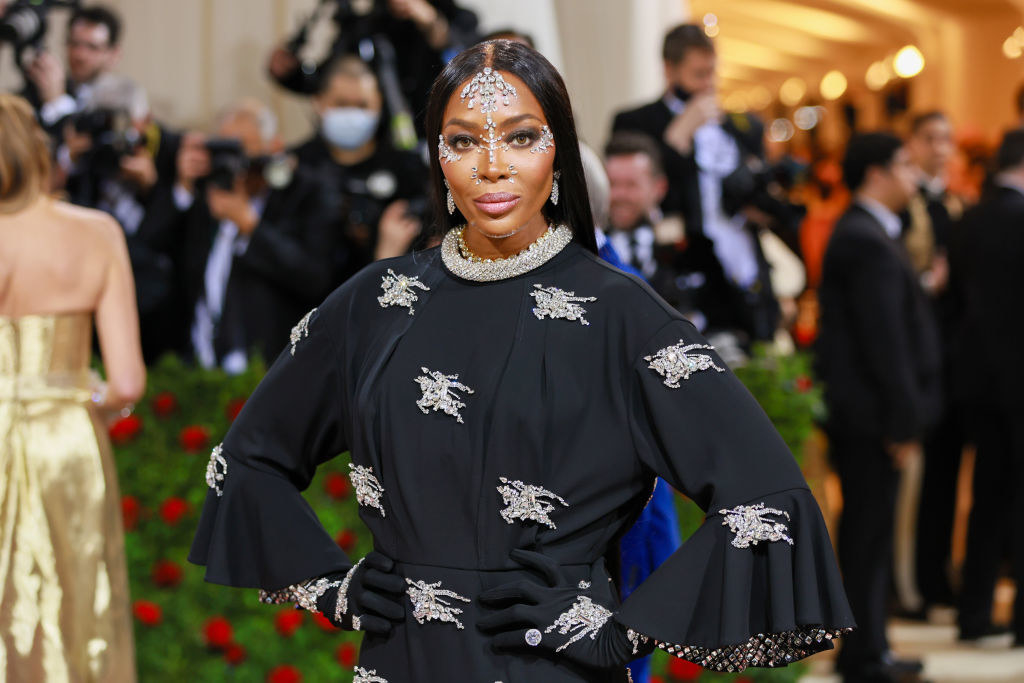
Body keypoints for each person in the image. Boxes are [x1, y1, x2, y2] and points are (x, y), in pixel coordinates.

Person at [190, 40, 853, 682]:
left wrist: (621, 631)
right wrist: (332, 586)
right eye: (462, 140)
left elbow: (770, 498)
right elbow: (247, 460)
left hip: (549, 665)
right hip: (400, 662)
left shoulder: (621, 315)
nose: (491, 165)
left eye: (520, 136)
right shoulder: (378, 302)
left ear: (558, 152)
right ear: (438, 159)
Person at [0, 93, 144, 682]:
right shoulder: (96, 232)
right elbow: (127, 382)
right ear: (39, 149)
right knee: (80, 609)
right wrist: (71, 395)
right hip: (66, 445)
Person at [816, 132, 941, 682]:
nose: (912, 179)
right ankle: (865, 655)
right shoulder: (863, 237)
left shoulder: (868, 233)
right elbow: (884, 341)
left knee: (872, 533)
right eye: (904, 167)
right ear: (875, 174)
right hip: (871, 419)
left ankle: (871, 648)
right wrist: (902, 419)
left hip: (869, 416)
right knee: (867, 534)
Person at [611, 24, 797, 346]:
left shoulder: (743, 126)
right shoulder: (636, 121)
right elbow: (636, 194)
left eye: (712, 73)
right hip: (680, 272)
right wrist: (681, 131)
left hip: (743, 264)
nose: (708, 84)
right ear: (669, 69)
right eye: (698, 74)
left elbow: (761, 191)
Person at [175, 98, 337, 372]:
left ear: (274, 148)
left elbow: (314, 276)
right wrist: (184, 185)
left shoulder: (307, 193)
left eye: (244, 151)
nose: (235, 165)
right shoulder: (206, 197)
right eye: (225, 151)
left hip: (272, 371)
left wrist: (248, 224)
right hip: (201, 368)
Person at [951, 129, 1024, 647]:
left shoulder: (969, 219)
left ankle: (973, 612)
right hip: (1018, 381)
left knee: (986, 499)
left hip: (976, 383)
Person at [62, 74, 185, 363]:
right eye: (105, 123)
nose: (114, 135)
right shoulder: (89, 155)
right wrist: (72, 162)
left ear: (144, 120)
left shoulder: (171, 151)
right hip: (91, 306)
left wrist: (151, 188)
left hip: (158, 311)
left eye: (121, 123)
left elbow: (180, 236)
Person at [903, 111, 967, 618]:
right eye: (931, 139)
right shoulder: (908, 206)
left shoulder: (955, 203)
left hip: (954, 359)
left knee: (946, 477)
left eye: (947, 139)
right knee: (916, 484)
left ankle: (939, 573)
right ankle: (914, 584)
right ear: (913, 144)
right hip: (918, 359)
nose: (941, 148)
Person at [292, 55, 426, 285]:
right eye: (342, 104)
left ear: (379, 103)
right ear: (318, 102)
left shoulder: (408, 170)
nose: (352, 114)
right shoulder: (297, 166)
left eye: (362, 105)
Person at [22, 4, 123, 136]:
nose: (80, 55)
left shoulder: (122, 101)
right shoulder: (40, 93)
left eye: (92, 47)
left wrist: (56, 103)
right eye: (74, 44)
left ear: (113, 54)